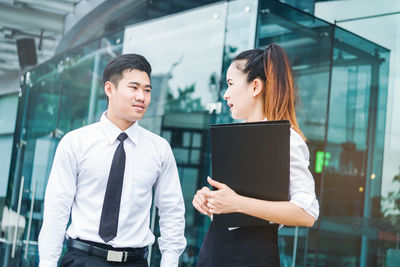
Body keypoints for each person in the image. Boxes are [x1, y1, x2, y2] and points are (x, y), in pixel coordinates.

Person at [38, 54, 186, 267]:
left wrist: (169, 262)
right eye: (134, 88)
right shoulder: (76, 143)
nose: (141, 97)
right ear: (110, 89)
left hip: (134, 262)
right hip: (83, 259)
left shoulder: (159, 149)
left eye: (147, 90)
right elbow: (57, 210)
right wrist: (47, 262)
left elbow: (172, 210)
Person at [192, 43, 319, 267]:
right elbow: (233, 208)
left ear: (255, 87)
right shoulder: (236, 137)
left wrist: (237, 203)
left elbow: (307, 212)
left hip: (250, 256)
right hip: (214, 250)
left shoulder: (286, 139)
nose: (225, 94)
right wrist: (210, 201)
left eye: (230, 84)